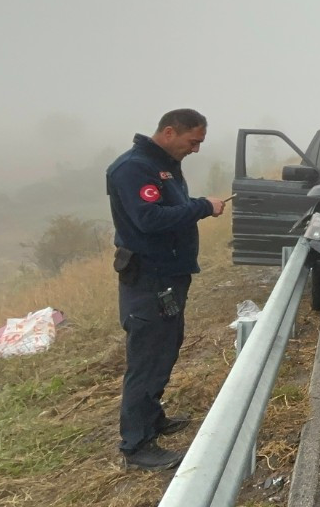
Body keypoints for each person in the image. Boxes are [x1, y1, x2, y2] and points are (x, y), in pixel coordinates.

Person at [106, 109, 227, 470]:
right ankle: (137, 444)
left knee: (165, 347)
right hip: (148, 279)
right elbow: (149, 218)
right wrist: (203, 207)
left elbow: (169, 207)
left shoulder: (163, 164)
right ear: (170, 132)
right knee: (147, 358)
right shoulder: (133, 168)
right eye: (193, 142)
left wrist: (194, 207)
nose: (196, 149)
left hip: (169, 275)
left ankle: (153, 417)